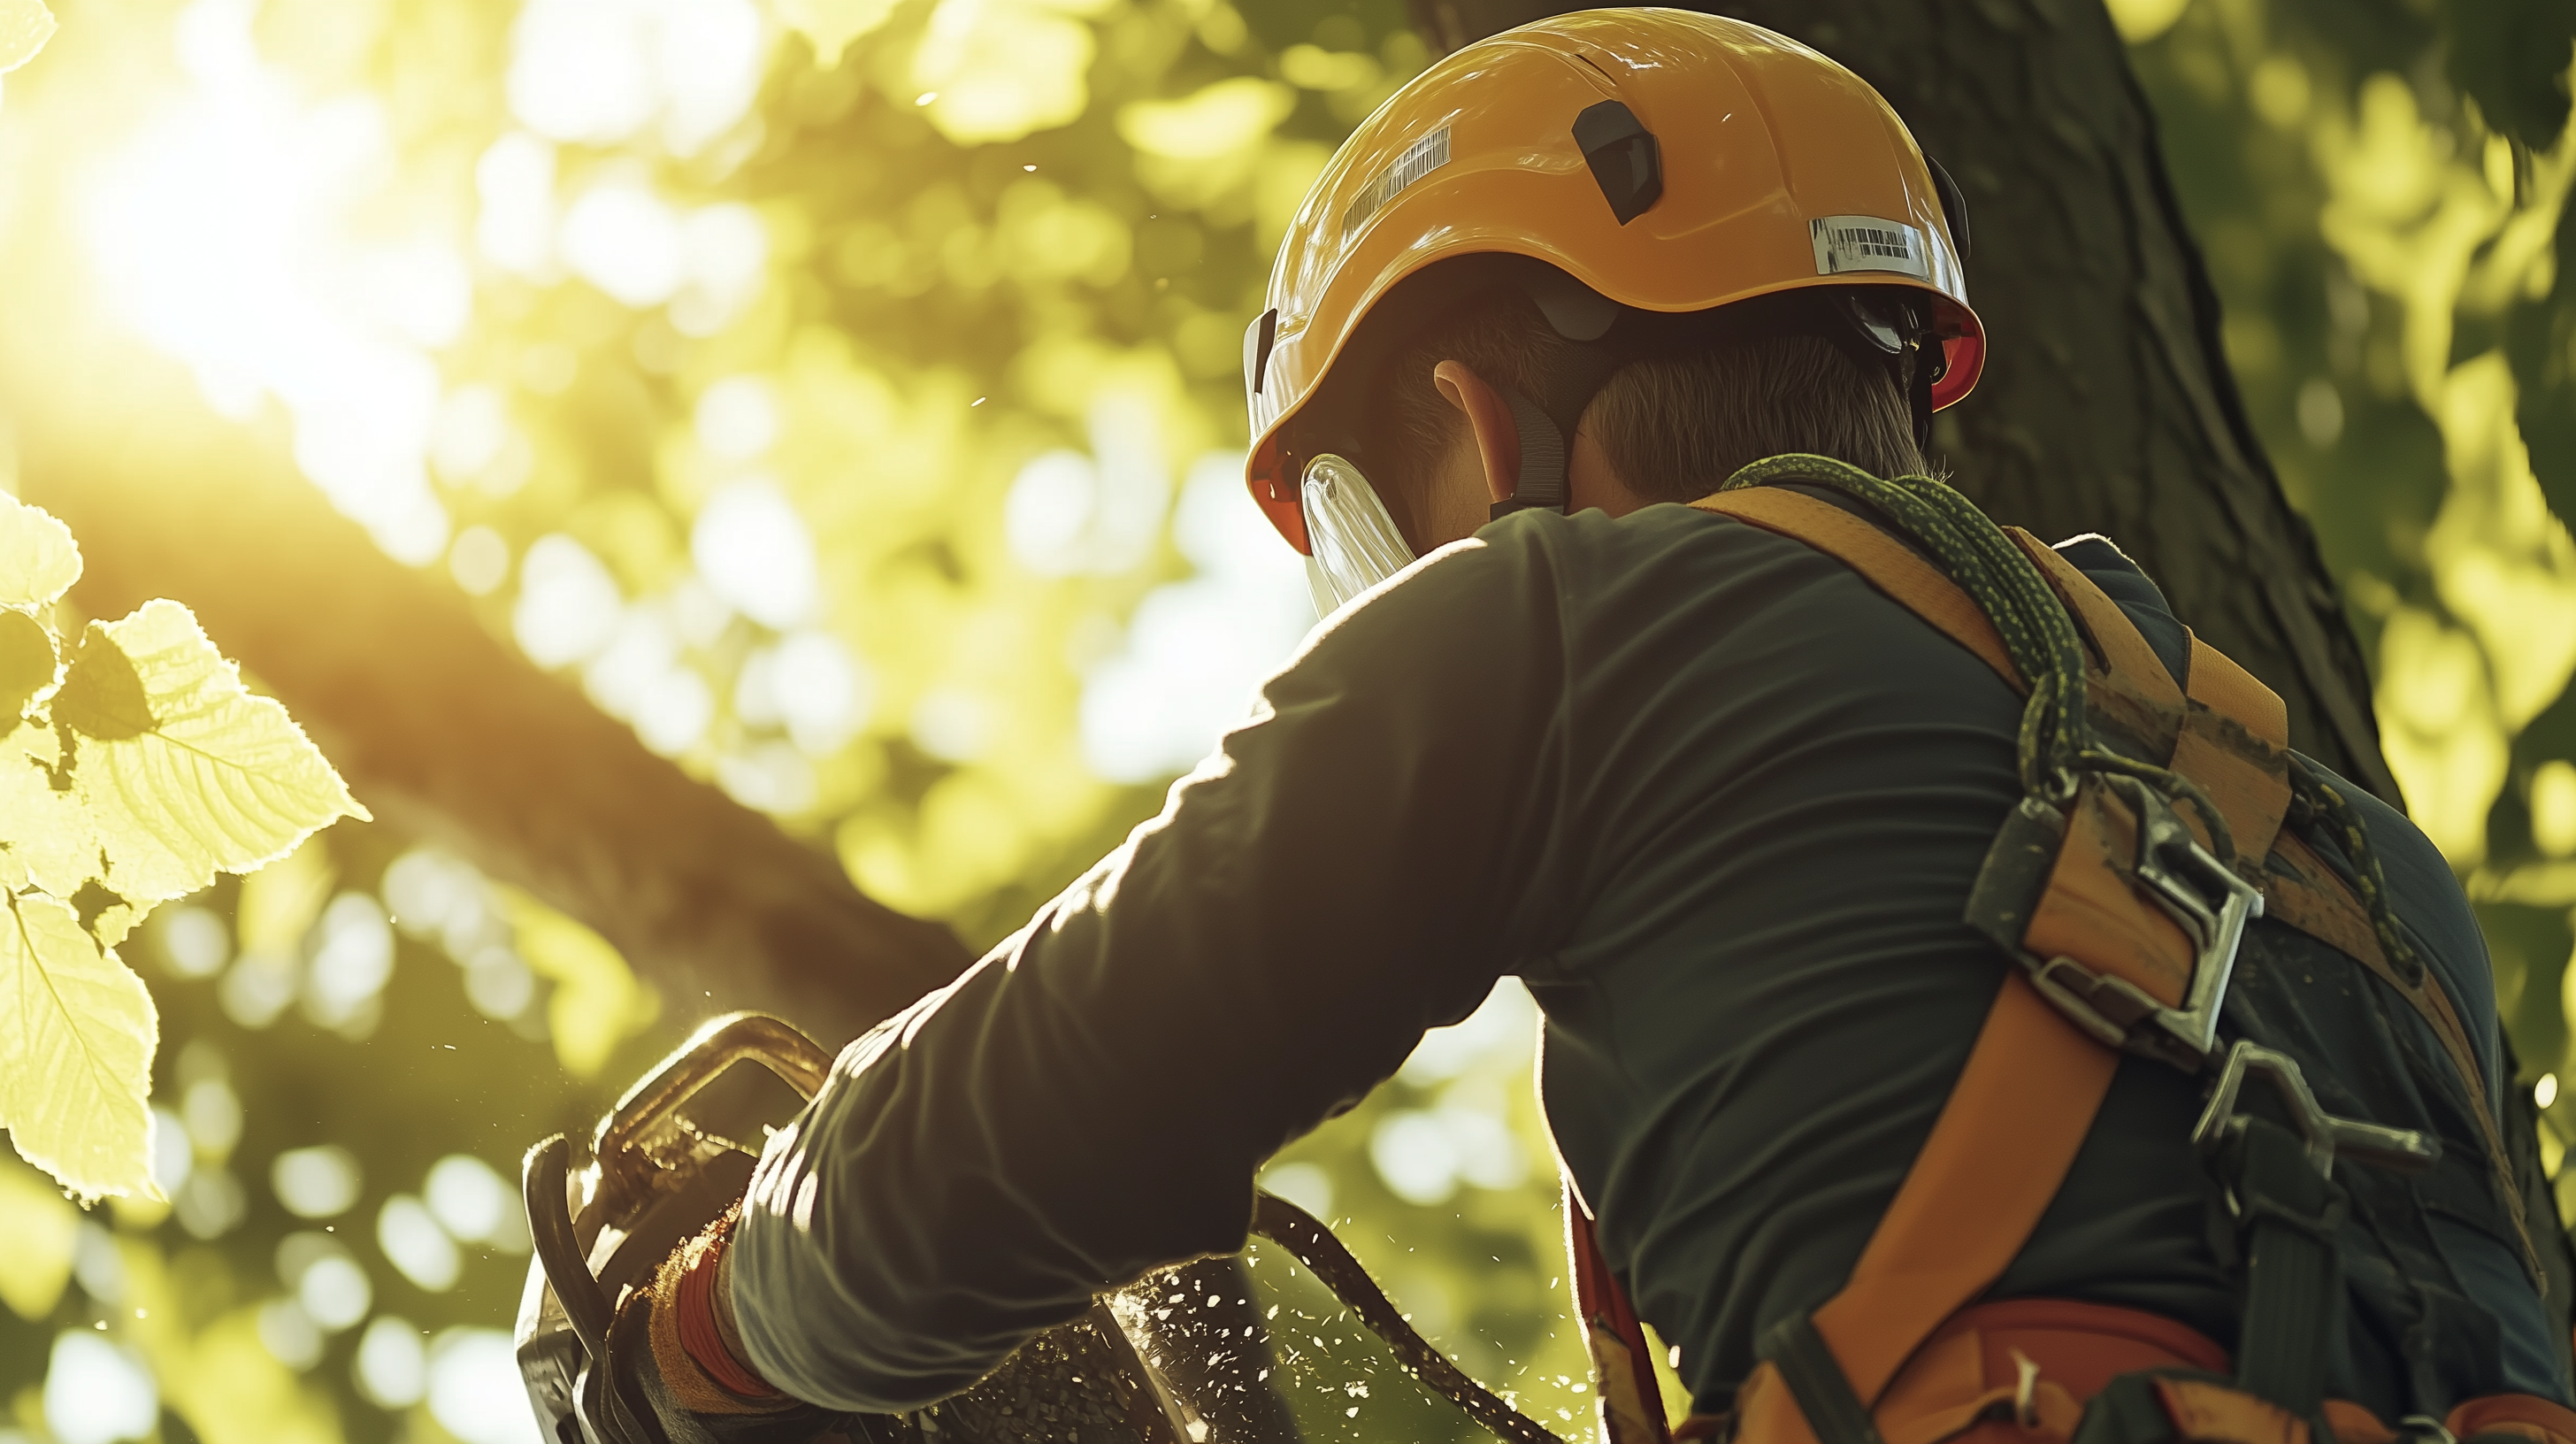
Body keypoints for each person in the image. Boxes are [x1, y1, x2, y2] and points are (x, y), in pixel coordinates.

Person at [604, 11, 2573, 1444]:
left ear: (1480, 425)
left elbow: (1050, 1098)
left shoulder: (1562, 628)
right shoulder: (2347, 855)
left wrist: (696, 1335)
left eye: (1366, 536)